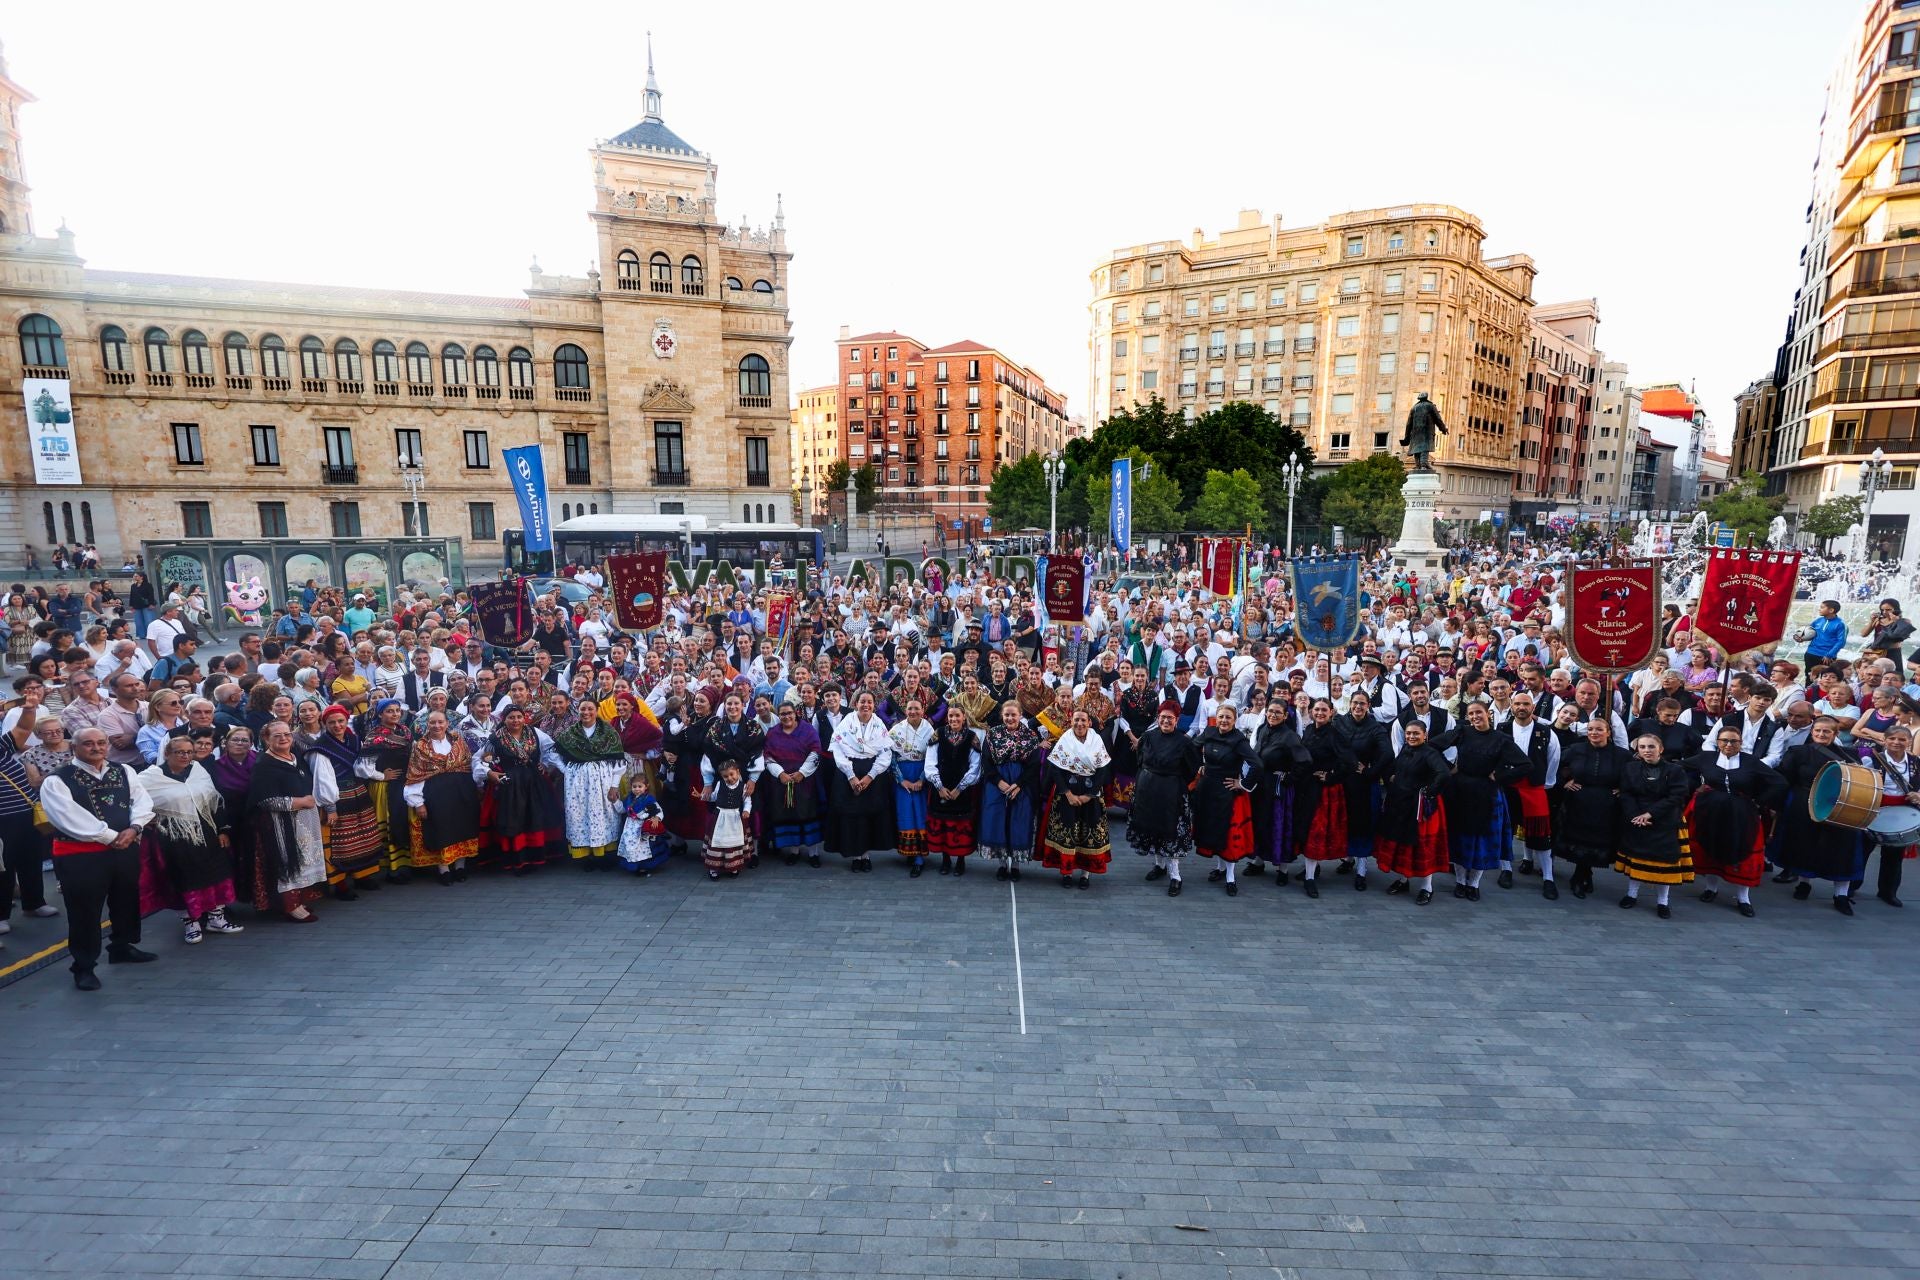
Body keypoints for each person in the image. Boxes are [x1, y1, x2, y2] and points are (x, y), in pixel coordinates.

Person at [38, 724, 155, 989]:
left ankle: (122, 947)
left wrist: (134, 827)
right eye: (89, 743)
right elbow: (67, 817)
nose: (96, 747)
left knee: (126, 899)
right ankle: (84, 966)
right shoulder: (58, 779)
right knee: (85, 911)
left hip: (125, 848)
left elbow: (142, 801)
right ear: (74, 747)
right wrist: (111, 836)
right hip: (81, 855)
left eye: (101, 742)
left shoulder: (123, 770)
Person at [137, 736, 243, 945]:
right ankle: (191, 924)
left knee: (216, 873)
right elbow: (137, 803)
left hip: (207, 832)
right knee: (184, 877)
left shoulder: (198, 771)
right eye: (179, 752)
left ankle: (217, 919)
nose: (185, 756)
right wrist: (146, 819)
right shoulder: (149, 778)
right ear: (167, 753)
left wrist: (223, 830)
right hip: (174, 837)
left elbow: (214, 800)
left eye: (189, 752)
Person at [1683, 725, 1785, 918]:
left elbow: (1779, 782)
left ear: (1741, 743)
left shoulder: (1751, 762)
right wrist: (1695, 787)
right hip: (1710, 810)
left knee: (1742, 850)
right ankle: (1711, 889)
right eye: (1724, 741)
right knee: (1711, 846)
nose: (1729, 745)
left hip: (1741, 813)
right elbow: (1679, 767)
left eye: (1733, 741)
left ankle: (1743, 898)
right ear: (1717, 742)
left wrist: (1759, 800)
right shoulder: (1707, 758)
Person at [1772, 714, 1866, 906]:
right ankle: (1804, 884)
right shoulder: (1798, 752)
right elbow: (1784, 779)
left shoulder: (1850, 755)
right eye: (1818, 730)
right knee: (1805, 845)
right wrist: (1777, 805)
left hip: (1839, 807)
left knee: (1842, 849)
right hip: (1804, 804)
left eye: (1826, 731)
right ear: (1812, 731)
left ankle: (1840, 895)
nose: (1821, 734)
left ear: (1835, 733)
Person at [1443, 701, 1530, 902]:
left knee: (1481, 842)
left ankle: (1473, 884)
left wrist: (1499, 775)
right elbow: (1434, 745)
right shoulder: (1462, 732)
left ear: (1487, 713)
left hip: (1488, 793)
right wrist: (1448, 768)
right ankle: (1460, 881)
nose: (1475, 717)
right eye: (1471, 714)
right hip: (1461, 791)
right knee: (1460, 838)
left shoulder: (1502, 739)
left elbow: (1525, 765)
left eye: (1478, 712)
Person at [245, 721, 328, 922]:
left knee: (304, 858)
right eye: (277, 736)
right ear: (266, 739)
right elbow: (265, 800)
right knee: (288, 861)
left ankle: (300, 899)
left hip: (304, 820)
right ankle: (290, 906)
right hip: (281, 822)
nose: (283, 738)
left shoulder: (295, 757)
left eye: (287, 734)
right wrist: (300, 801)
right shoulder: (264, 765)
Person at [1614, 732, 1695, 918]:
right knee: (1637, 858)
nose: (1647, 750)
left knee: (1664, 863)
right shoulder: (1630, 768)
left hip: (1666, 819)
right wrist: (1636, 815)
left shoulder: (1675, 770)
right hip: (1637, 818)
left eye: (1651, 746)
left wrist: (1650, 814)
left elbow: (1676, 796)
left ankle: (1663, 902)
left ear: (1661, 749)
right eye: (1642, 747)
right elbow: (1626, 794)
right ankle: (1631, 895)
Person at [310, 705, 385, 899]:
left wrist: (379, 775)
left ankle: (363, 875)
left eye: (341, 721)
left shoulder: (354, 740)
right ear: (324, 724)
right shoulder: (321, 748)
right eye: (332, 722)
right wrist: (330, 807)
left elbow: (362, 767)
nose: (337, 725)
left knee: (364, 836)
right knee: (341, 842)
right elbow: (322, 779)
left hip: (359, 792)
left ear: (346, 721)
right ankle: (340, 883)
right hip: (338, 797)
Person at [1373, 718, 1452, 904]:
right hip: (1400, 805)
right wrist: (1392, 777)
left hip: (1420, 809)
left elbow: (1444, 773)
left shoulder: (1430, 753)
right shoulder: (1405, 750)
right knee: (1402, 844)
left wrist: (1428, 791)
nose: (1411, 736)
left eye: (1416, 733)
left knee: (1422, 848)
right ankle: (1403, 880)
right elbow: (1395, 769)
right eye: (1408, 733)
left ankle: (1427, 888)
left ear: (1425, 735)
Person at [478, 704, 562, 875]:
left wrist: (544, 764)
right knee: (515, 820)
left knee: (535, 817)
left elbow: (551, 749)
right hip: (510, 786)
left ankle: (536, 858)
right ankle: (519, 860)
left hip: (534, 782)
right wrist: (489, 772)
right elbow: (483, 759)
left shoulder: (535, 733)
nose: (516, 720)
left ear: (524, 718)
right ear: (504, 719)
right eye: (511, 717)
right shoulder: (495, 738)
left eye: (519, 717)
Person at [1130, 700, 1202, 895]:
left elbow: (1191, 769)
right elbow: (1140, 761)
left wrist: (1174, 782)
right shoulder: (1148, 737)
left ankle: (1175, 876)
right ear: (1158, 718)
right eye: (1163, 717)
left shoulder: (1185, 743)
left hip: (1172, 793)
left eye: (1170, 718)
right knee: (1152, 829)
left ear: (1177, 720)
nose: (1166, 721)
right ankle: (1159, 866)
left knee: (1171, 834)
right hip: (1147, 790)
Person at [403, 710, 483, 883]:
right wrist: (418, 803)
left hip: (462, 792)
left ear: (447, 723)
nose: (437, 726)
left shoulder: (458, 741)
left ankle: (460, 867)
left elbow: (469, 765)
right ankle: (444, 868)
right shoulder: (421, 747)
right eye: (432, 723)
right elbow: (415, 774)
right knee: (441, 829)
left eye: (440, 722)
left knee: (463, 828)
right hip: (436, 795)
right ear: (427, 724)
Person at [1556, 716, 1630, 899]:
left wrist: (1623, 789)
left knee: (1595, 843)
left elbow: (1632, 775)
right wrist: (1565, 782)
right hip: (1578, 802)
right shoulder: (1576, 749)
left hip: (1606, 805)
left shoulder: (1622, 754)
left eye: (1598, 729)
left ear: (1608, 732)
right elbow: (1554, 764)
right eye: (1590, 729)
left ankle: (1582, 875)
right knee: (1580, 842)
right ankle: (1581, 876)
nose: (1594, 733)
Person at [1191, 702, 1261, 895]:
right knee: (1214, 830)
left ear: (1235, 720)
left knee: (1228, 835)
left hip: (1228, 791)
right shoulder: (1209, 732)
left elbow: (1257, 764)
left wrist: (1243, 784)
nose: (1224, 720)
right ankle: (1220, 869)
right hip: (1207, 789)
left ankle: (1230, 877)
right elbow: (1192, 748)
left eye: (1228, 717)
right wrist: (1199, 765)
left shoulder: (1239, 740)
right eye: (1221, 716)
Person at [1041, 708, 1112, 890]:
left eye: (1083, 720)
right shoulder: (1065, 740)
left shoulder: (1097, 741)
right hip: (1067, 792)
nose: (1079, 724)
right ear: (1071, 722)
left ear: (1089, 722)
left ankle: (1085, 874)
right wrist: (1068, 793)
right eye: (1076, 720)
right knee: (1068, 831)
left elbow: (1103, 770)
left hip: (1091, 793)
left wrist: (1089, 795)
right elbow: (1055, 769)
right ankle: (1066, 872)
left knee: (1088, 830)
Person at [551, 700, 627, 870]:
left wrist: (614, 786)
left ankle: (605, 856)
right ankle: (587, 857)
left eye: (590, 709)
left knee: (605, 815)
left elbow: (619, 762)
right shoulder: (571, 732)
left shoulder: (608, 732)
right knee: (580, 816)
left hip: (603, 781)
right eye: (582, 709)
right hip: (577, 784)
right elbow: (554, 754)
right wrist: (567, 770)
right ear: (577, 711)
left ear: (597, 710)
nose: (586, 712)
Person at [829, 689, 895, 873]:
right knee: (852, 817)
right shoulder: (846, 723)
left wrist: (870, 776)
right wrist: (851, 776)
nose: (865, 705)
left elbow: (885, 753)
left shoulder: (879, 724)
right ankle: (855, 856)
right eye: (862, 702)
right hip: (848, 775)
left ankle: (866, 856)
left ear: (874, 705)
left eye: (869, 702)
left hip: (872, 777)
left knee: (868, 816)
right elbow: (838, 750)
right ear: (855, 704)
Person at [1293, 699, 1354, 898]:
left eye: (1324, 710)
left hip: (1323, 791)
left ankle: (1310, 878)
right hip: (1306, 787)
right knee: (1306, 828)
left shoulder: (1337, 734)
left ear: (1331, 712)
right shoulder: (1309, 730)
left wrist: (1331, 776)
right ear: (1311, 712)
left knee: (1315, 832)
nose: (1319, 713)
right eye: (1316, 709)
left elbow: (1350, 762)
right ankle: (1312, 869)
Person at [980, 699, 1043, 878]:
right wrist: (999, 782)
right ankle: (1001, 864)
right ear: (1002, 716)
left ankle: (1015, 865)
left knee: (1018, 822)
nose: (1009, 718)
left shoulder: (1030, 736)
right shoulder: (992, 734)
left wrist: (1019, 785)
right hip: (997, 784)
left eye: (1013, 715)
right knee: (999, 820)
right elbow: (986, 761)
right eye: (1006, 715)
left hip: (1021, 785)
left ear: (1020, 716)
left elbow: (1034, 765)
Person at [1249, 699, 1308, 887]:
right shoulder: (1262, 730)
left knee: (1279, 826)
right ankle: (1258, 861)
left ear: (1285, 716)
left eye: (1277, 712)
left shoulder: (1290, 736)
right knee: (1260, 823)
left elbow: (1304, 760)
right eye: (1270, 711)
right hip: (1260, 786)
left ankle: (1283, 869)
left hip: (1278, 789)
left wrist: (1289, 778)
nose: (1273, 715)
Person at [762, 701, 825, 868]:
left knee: (808, 814)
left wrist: (802, 773)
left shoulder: (807, 730)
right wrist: (780, 773)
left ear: (795, 713)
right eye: (782, 714)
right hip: (782, 782)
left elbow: (815, 751)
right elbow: (767, 756)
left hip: (805, 782)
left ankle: (813, 853)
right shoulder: (773, 733)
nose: (786, 717)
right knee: (789, 815)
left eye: (789, 713)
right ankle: (794, 851)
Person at [923, 704, 981, 877]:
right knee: (942, 825)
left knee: (960, 825)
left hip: (962, 789)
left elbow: (975, 766)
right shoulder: (938, 734)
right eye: (950, 716)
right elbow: (930, 761)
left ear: (964, 717)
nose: (954, 719)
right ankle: (945, 860)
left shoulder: (972, 737)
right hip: (940, 788)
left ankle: (961, 861)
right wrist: (939, 786)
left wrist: (960, 788)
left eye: (957, 716)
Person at [889, 698, 935, 876]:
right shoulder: (896, 730)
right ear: (905, 710)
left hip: (922, 774)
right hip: (903, 775)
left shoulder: (929, 730)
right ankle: (910, 851)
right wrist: (901, 780)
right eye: (910, 709)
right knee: (905, 813)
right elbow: (890, 755)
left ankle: (919, 857)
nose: (913, 712)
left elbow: (932, 756)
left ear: (923, 710)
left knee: (921, 814)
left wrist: (922, 780)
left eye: (916, 708)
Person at [703, 756, 752, 879]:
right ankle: (713, 868)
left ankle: (733, 866)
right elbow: (714, 797)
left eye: (732, 774)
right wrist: (703, 796)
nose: (729, 778)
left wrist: (746, 811)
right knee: (718, 841)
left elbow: (747, 801)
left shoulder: (743, 786)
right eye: (726, 776)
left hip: (735, 817)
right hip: (720, 817)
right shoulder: (720, 784)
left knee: (733, 842)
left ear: (738, 772)